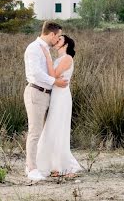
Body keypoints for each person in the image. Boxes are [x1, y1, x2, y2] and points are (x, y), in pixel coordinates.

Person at [23, 21, 68, 181]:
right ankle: (31, 168)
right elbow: (36, 73)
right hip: (36, 92)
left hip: (46, 93)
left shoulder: (45, 49)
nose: (58, 40)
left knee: (42, 132)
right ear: (52, 34)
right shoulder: (34, 48)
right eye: (57, 36)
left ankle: (38, 164)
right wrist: (55, 82)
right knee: (34, 131)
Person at [36, 34, 82, 177]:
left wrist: (47, 57)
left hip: (61, 97)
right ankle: (52, 165)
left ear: (66, 44)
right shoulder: (59, 59)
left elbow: (54, 74)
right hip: (55, 95)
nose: (57, 41)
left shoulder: (67, 58)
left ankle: (61, 165)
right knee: (51, 127)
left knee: (57, 128)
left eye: (60, 39)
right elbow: (51, 76)